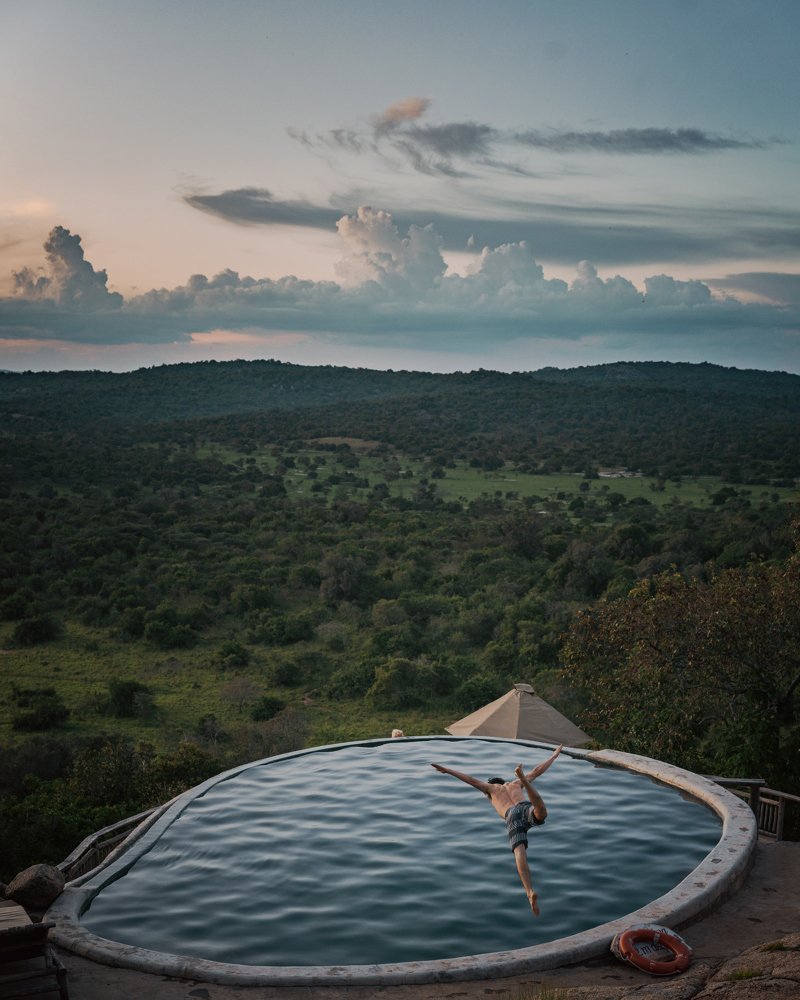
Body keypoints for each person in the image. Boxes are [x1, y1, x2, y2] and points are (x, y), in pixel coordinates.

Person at [430, 744, 563, 915]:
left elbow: (471, 780)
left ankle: (529, 891)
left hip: (512, 814)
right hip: (524, 806)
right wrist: (554, 756)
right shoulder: (515, 784)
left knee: (520, 852)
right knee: (541, 813)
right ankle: (529, 787)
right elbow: (537, 771)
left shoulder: (490, 789)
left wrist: (448, 770)